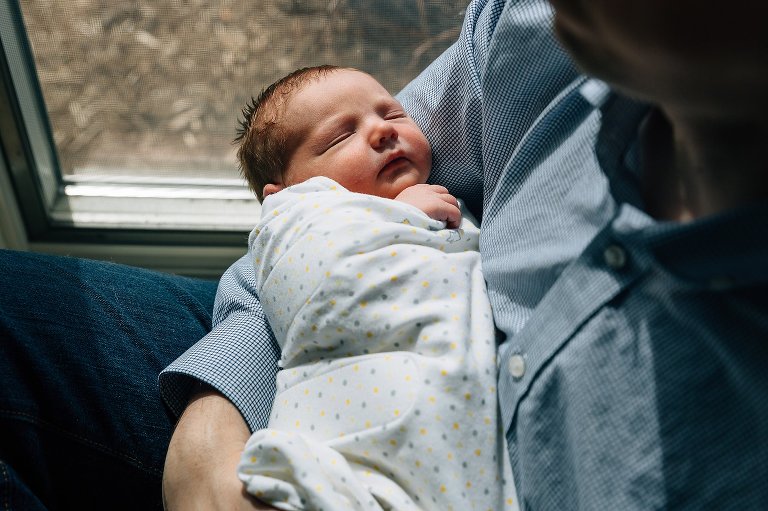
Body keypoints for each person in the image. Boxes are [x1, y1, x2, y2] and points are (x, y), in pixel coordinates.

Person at [1, 0, 766, 509]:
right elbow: (303, 221)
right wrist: (216, 409)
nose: (384, 128)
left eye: (388, 114)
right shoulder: (536, 28)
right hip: (316, 371)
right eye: (348, 128)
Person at [232, 65, 515, 510]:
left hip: (453, 416)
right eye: (340, 137)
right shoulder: (296, 221)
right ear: (282, 193)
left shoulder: (452, 200)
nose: (383, 130)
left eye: (395, 114)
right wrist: (403, 215)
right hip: (354, 419)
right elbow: (319, 271)